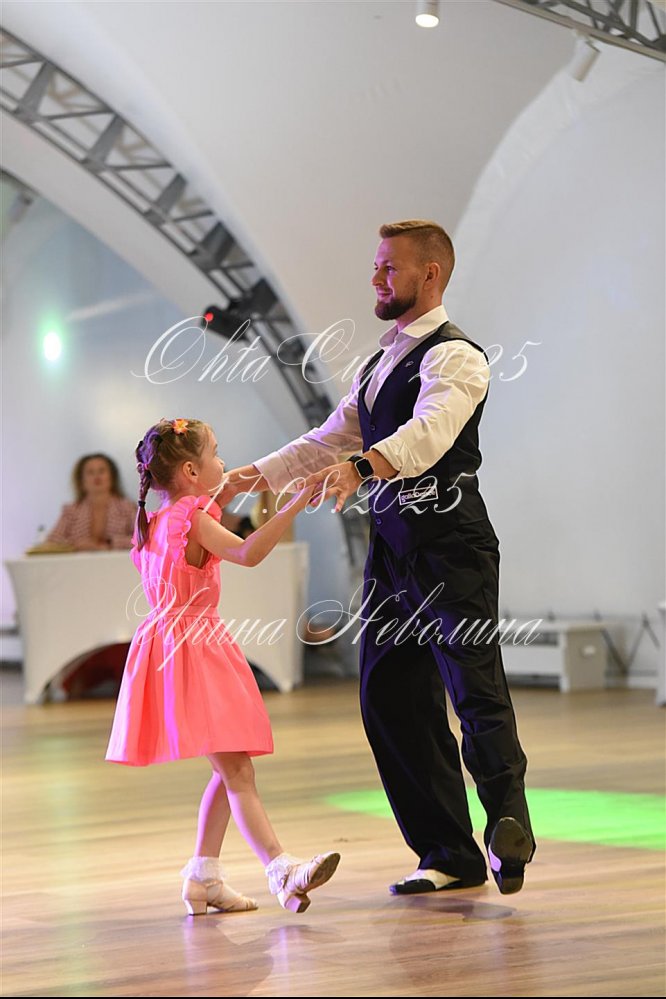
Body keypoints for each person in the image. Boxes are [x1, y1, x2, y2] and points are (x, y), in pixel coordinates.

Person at [220, 220, 536, 896]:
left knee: (474, 689)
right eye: (376, 266)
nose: (376, 278)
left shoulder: (457, 357)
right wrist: (254, 474)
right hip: (393, 550)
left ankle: (509, 826)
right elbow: (328, 438)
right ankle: (448, 852)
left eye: (389, 267)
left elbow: (428, 434)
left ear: (431, 274)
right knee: (388, 698)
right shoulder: (378, 364)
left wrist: (364, 466)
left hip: (452, 547)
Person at [104, 417, 340, 915]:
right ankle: (280, 868)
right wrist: (296, 501)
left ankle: (203, 876)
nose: (223, 461)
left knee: (227, 763)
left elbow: (212, 517)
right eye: (215, 453)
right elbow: (248, 552)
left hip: (171, 645)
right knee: (236, 767)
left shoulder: (156, 519)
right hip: (195, 648)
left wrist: (246, 485)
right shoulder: (191, 518)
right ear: (191, 470)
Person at [46, 453, 136, 551]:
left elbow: (142, 539)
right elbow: (52, 542)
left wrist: (110, 543)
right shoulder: (71, 511)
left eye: (101, 471)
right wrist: (77, 545)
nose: (96, 476)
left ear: (112, 477)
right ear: (81, 480)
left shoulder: (127, 508)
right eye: (90, 472)